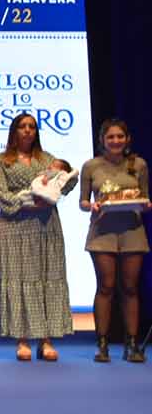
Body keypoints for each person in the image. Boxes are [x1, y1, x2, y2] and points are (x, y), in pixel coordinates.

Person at [0, 114, 77, 361]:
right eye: (23, 127)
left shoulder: (48, 159)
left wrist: (56, 190)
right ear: (14, 131)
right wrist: (28, 200)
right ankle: (22, 339)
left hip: (45, 225)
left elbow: (67, 182)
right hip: (14, 227)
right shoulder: (1, 161)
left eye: (32, 127)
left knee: (46, 277)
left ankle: (47, 339)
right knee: (19, 279)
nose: (28, 131)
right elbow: (0, 194)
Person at [79, 118, 149, 363]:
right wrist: (92, 205)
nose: (116, 141)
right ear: (103, 140)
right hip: (102, 232)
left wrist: (146, 204)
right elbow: (83, 202)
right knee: (106, 286)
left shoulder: (138, 164)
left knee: (130, 288)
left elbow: (145, 198)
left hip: (132, 230)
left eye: (120, 136)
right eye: (111, 137)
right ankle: (103, 343)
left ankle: (132, 344)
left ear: (127, 139)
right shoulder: (90, 166)